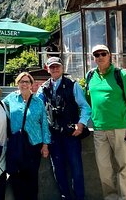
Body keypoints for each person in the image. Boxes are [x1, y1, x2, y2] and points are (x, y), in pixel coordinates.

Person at [86, 44, 126, 200]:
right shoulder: (90, 76)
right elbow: (88, 100)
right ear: (93, 58)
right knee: (103, 167)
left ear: (110, 56)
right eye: (97, 55)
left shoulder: (120, 75)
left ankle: (125, 198)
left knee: (124, 166)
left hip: (120, 128)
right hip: (99, 129)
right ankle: (110, 197)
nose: (100, 57)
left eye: (103, 54)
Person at [37, 56, 91, 200]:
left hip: (71, 134)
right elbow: (37, 109)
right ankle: (65, 197)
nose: (55, 69)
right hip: (53, 135)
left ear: (62, 68)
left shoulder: (73, 85)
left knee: (76, 169)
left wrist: (81, 124)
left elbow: (85, 107)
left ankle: (80, 197)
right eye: (52, 67)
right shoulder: (43, 88)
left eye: (57, 66)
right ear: (47, 69)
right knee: (58, 170)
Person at [2, 71, 50, 200]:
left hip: (34, 144)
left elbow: (44, 124)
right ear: (17, 84)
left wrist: (45, 144)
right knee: (16, 177)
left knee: (32, 177)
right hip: (16, 143)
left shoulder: (38, 102)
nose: (24, 84)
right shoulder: (11, 98)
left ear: (32, 84)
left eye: (27, 82)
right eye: (22, 81)